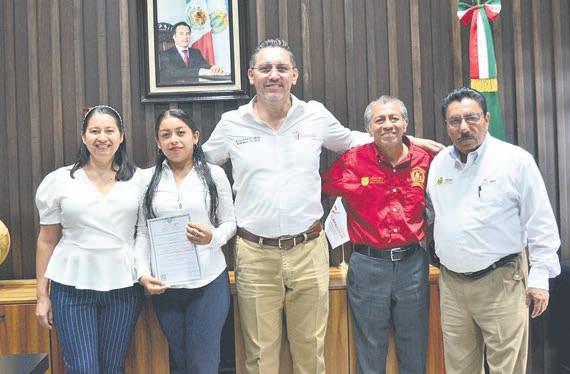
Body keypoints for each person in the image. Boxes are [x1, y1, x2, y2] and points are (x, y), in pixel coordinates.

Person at [203, 38, 443, 374]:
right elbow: (201, 165)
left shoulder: (314, 115)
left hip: (308, 250)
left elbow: (352, 139)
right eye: (265, 68)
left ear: (295, 75)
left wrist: (404, 138)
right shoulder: (232, 123)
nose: (274, 75)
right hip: (254, 254)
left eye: (282, 68)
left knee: (311, 350)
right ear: (251, 75)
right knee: (259, 355)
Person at [426, 87, 561, 374]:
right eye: (455, 121)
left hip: (501, 281)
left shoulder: (515, 160)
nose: (464, 127)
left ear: (487, 119)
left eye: (471, 118)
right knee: (459, 368)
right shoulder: (439, 164)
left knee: (506, 368)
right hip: (452, 284)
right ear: (447, 126)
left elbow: (540, 221)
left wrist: (540, 277)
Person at [322, 96, 432, 374]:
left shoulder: (425, 160)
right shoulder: (352, 161)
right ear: (368, 128)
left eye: (394, 118)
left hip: (412, 264)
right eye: (379, 120)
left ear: (405, 123)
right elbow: (318, 188)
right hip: (368, 266)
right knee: (370, 350)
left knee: (415, 347)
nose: (387, 125)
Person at [35, 105, 148, 373]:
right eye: (95, 131)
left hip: (124, 286)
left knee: (113, 367)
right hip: (71, 287)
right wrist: (42, 295)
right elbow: (47, 240)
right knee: (82, 368)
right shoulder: (59, 181)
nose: (102, 138)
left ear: (121, 136)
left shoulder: (140, 180)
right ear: (84, 137)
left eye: (110, 131)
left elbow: (144, 233)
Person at [138, 109, 236, 374]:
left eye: (180, 133)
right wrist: (143, 273)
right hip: (166, 285)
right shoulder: (146, 179)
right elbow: (143, 232)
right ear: (158, 142)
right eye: (166, 135)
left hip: (208, 281)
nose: (174, 140)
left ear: (195, 137)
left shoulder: (214, 174)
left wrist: (212, 237)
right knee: (181, 361)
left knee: (203, 363)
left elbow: (230, 223)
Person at [158, 21, 226, 84]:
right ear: (174, 37)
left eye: (188, 34)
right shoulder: (165, 54)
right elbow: (172, 73)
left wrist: (213, 68)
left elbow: (204, 66)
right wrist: (199, 71)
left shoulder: (196, 52)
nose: (185, 37)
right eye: (181, 34)